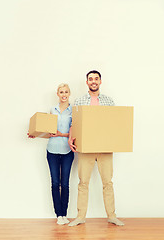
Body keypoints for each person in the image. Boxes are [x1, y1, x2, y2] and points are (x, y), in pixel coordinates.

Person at [68, 70, 124, 227]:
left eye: (96, 79)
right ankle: (80, 216)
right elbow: (74, 123)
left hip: (105, 147)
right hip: (86, 147)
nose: (93, 81)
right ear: (87, 82)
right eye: (90, 79)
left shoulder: (109, 101)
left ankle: (112, 215)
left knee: (108, 182)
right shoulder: (79, 101)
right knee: (83, 182)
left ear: (100, 81)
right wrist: (70, 139)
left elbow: (114, 123)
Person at [28, 83, 74, 225]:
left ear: (69, 93)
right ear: (57, 94)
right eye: (61, 92)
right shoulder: (52, 110)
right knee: (55, 183)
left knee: (65, 183)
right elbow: (48, 131)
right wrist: (36, 134)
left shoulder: (74, 111)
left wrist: (63, 134)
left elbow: (75, 131)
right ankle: (58, 215)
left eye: (66, 92)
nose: (64, 94)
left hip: (67, 151)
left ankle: (64, 214)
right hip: (52, 150)